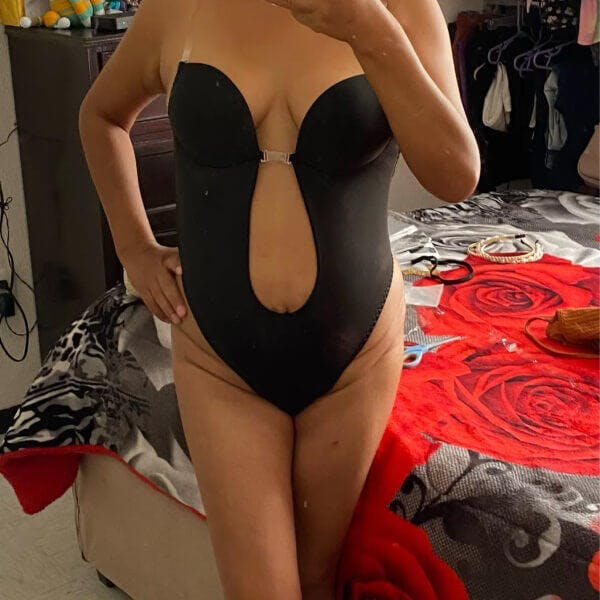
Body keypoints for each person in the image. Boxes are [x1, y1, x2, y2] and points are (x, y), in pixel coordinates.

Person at [78, 0, 480, 598]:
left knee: (319, 582)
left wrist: (369, 29)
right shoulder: (179, 7)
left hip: (356, 355)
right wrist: (134, 246)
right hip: (219, 360)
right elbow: (102, 115)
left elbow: (456, 177)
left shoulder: (400, 9)